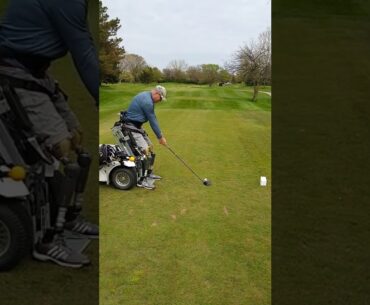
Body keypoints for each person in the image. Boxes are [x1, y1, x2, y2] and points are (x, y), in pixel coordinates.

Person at [0, 0, 98, 268]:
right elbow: (83, 53)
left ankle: (69, 218)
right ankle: (48, 241)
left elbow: (85, 39)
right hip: (13, 72)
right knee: (58, 150)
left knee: (76, 140)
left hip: (36, 74)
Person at [124, 85, 167, 190]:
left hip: (137, 127)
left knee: (150, 148)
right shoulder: (147, 101)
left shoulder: (147, 97)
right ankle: (141, 180)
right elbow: (153, 120)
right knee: (144, 151)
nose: (160, 101)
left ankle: (148, 173)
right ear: (156, 94)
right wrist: (160, 137)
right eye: (160, 98)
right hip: (131, 127)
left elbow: (152, 117)